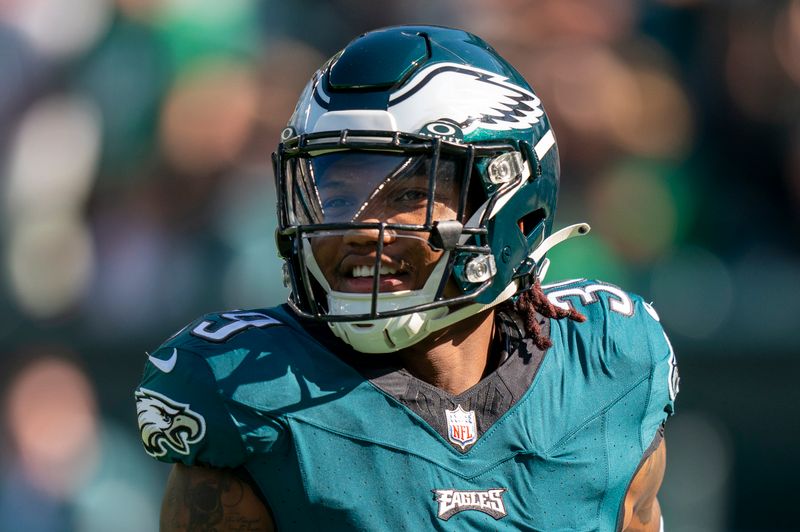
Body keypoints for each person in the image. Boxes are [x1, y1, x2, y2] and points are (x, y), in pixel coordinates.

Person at [135, 25, 679, 531]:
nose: (358, 229)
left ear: (510, 199)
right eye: (338, 195)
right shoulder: (249, 391)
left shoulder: (607, 365)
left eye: (408, 196)